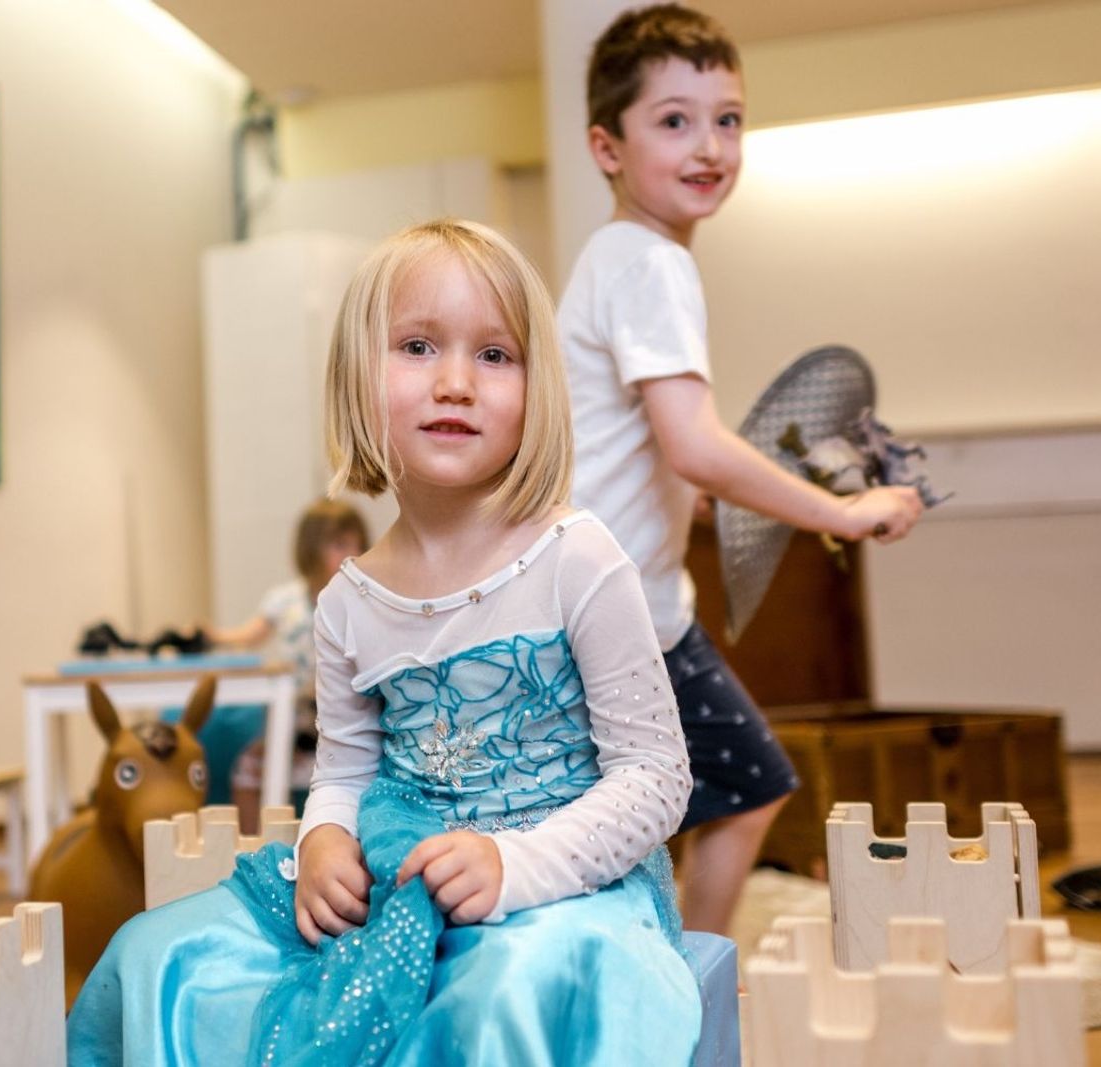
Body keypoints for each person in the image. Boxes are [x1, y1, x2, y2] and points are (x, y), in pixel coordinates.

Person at [68, 219, 701, 1065]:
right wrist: (325, 836)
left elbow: (657, 776)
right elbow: (342, 772)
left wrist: (517, 865)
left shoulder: (577, 557)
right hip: (394, 871)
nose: (454, 382)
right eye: (415, 345)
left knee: (512, 988)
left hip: (562, 883)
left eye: (494, 355)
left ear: (537, 388)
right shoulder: (345, 604)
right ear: (356, 378)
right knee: (158, 949)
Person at [561, 4, 924, 934]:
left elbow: (659, 452)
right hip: (621, 612)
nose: (709, 144)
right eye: (674, 120)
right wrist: (841, 516)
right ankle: (690, 993)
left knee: (670, 802)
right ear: (607, 147)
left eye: (728, 118)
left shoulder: (618, 257)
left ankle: (659, 976)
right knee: (747, 785)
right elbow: (694, 445)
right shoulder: (651, 266)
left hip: (610, 598)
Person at [207, 499, 369, 829]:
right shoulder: (286, 600)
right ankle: (253, 845)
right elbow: (251, 634)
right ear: (311, 550)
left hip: (341, 718)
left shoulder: (360, 598)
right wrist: (213, 636)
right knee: (248, 769)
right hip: (291, 721)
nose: (351, 553)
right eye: (339, 545)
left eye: (357, 545)